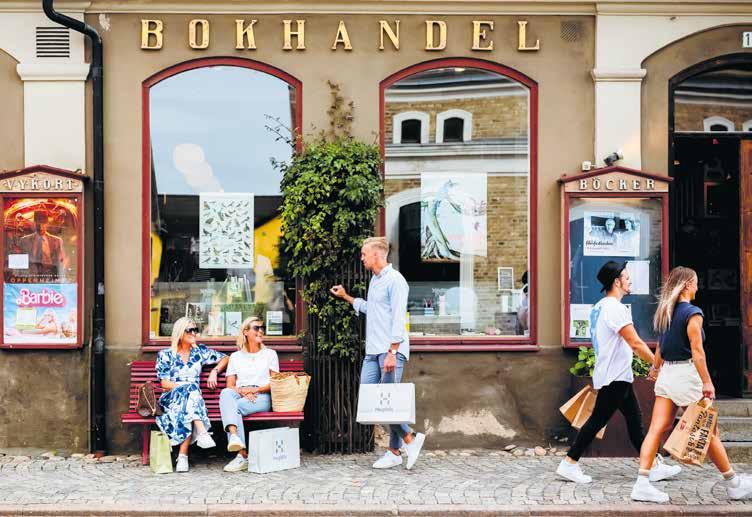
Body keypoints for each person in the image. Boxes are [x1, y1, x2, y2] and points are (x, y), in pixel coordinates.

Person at [631, 266, 752, 502]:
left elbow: (661, 346)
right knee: (708, 431)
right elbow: (697, 351)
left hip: (667, 375)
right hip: (686, 375)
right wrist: (707, 382)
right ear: (687, 285)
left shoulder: (666, 311)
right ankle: (734, 483)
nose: (697, 286)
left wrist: (655, 368)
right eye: (695, 282)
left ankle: (642, 483)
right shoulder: (693, 313)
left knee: (657, 429)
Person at [556, 261, 681, 484]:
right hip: (614, 375)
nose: (630, 281)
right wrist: (657, 366)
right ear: (617, 282)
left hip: (615, 374)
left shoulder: (599, 307)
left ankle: (651, 465)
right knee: (597, 420)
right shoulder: (615, 308)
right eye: (627, 277)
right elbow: (635, 342)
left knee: (634, 421)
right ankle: (569, 463)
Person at [330, 236, 426, 470]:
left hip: (389, 350)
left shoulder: (396, 280)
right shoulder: (375, 280)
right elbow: (371, 309)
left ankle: (397, 449)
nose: (361, 257)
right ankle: (408, 439)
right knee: (373, 400)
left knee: (388, 402)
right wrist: (346, 297)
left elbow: (398, 318)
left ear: (376, 254)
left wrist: (393, 351)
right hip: (372, 352)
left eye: (364, 254)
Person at [156, 316, 229, 472]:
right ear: (180, 332)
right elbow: (164, 383)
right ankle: (201, 433)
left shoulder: (199, 351)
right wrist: (185, 387)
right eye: (190, 330)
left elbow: (225, 358)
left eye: (196, 330)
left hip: (192, 401)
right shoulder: (166, 354)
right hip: (171, 398)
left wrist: (214, 372)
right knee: (190, 392)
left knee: (189, 404)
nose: (194, 333)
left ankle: (183, 457)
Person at [219, 316, 280, 472]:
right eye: (256, 328)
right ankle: (235, 438)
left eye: (262, 328)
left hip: (262, 396)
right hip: (241, 393)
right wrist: (244, 392)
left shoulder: (270, 354)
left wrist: (255, 390)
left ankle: (241, 455)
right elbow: (230, 385)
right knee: (226, 393)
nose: (260, 331)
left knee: (234, 407)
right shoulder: (235, 357)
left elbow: (275, 383)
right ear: (245, 332)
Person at [18, 211, 66, 279]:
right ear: (34, 223)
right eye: (38, 223)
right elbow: (20, 264)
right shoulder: (24, 241)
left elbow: (61, 262)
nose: (40, 227)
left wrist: (61, 278)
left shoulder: (57, 241)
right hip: (30, 277)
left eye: (43, 223)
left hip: (50, 278)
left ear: (47, 223)